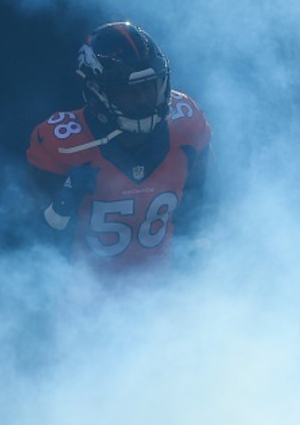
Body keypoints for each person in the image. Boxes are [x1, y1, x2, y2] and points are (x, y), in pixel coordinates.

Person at [26, 21, 213, 277]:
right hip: (84, 297)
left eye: (150, 87)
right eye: (130, 92)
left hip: (166, 294)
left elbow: (198, 208)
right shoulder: (64, 143)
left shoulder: (186, 125)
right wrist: (63, 202)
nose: (144, 100)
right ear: (96, 93)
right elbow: (27, 241)